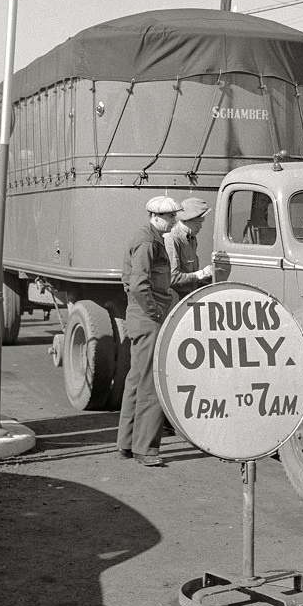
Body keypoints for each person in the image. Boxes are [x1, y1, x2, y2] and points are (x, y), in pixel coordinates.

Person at [116, 195, 181, 467]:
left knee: (136, 379)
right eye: (169, 217)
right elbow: (138, 284)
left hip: (141, 316)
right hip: (148, 319)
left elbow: (130, 281)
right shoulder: (147, 242)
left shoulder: (150, 238)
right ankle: (145, 449)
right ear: (155, 216)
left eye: (174, 216)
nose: (174, 221)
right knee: (151, 383)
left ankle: (128, 443)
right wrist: (156, 312)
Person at [165, 196, 213, 298]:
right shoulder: (173, 239)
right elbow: (172, 277)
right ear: (188, 220)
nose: (201, 226)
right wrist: (201, 274)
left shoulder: (191, 237)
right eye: (199, 222)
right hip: (177, 297)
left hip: (189, 294)